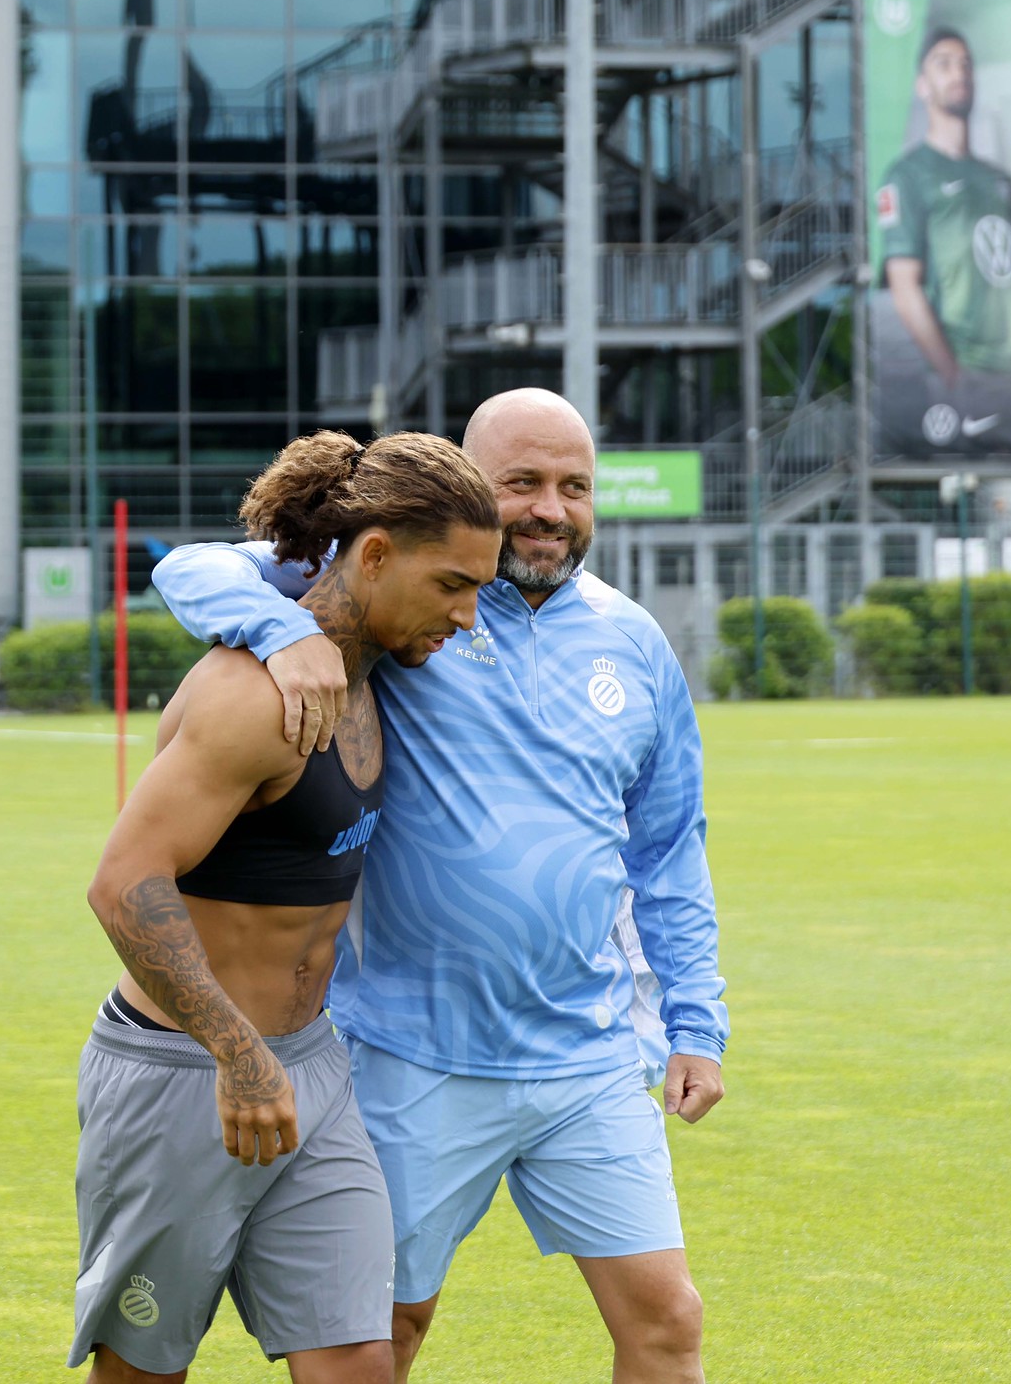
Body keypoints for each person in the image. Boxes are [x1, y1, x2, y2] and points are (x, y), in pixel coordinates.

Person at [152, 389, 728, 1384]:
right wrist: (276, 630)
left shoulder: (634, 642)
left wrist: (694, 1021)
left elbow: (669, 848)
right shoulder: (412, 601)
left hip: (586, 1056)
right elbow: (189, 564)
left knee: (667, 1323)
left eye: (574, 486)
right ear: (469, 485)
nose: (551, 508)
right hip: (412, 1055)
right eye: (522, 483)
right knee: (386, 1327)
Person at [71, 431, 501, 1384]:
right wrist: (237, 1053)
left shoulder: (376, 666)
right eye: (453, 586)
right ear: (377, 556)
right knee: (143, 1372)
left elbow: (247, 562)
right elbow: (122, 882)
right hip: (185, 1075)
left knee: (359, 1362)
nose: (471, 617)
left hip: (313, 1069)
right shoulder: (249, 697)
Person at [875, 23, 1011, 456]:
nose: (959, 74)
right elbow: (903, 284)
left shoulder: (997, 179)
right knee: (963, 482)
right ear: (922, 86)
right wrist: (951, 372)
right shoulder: (908, 175)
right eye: (944, 64)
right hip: (968, 377)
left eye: (966, 65)